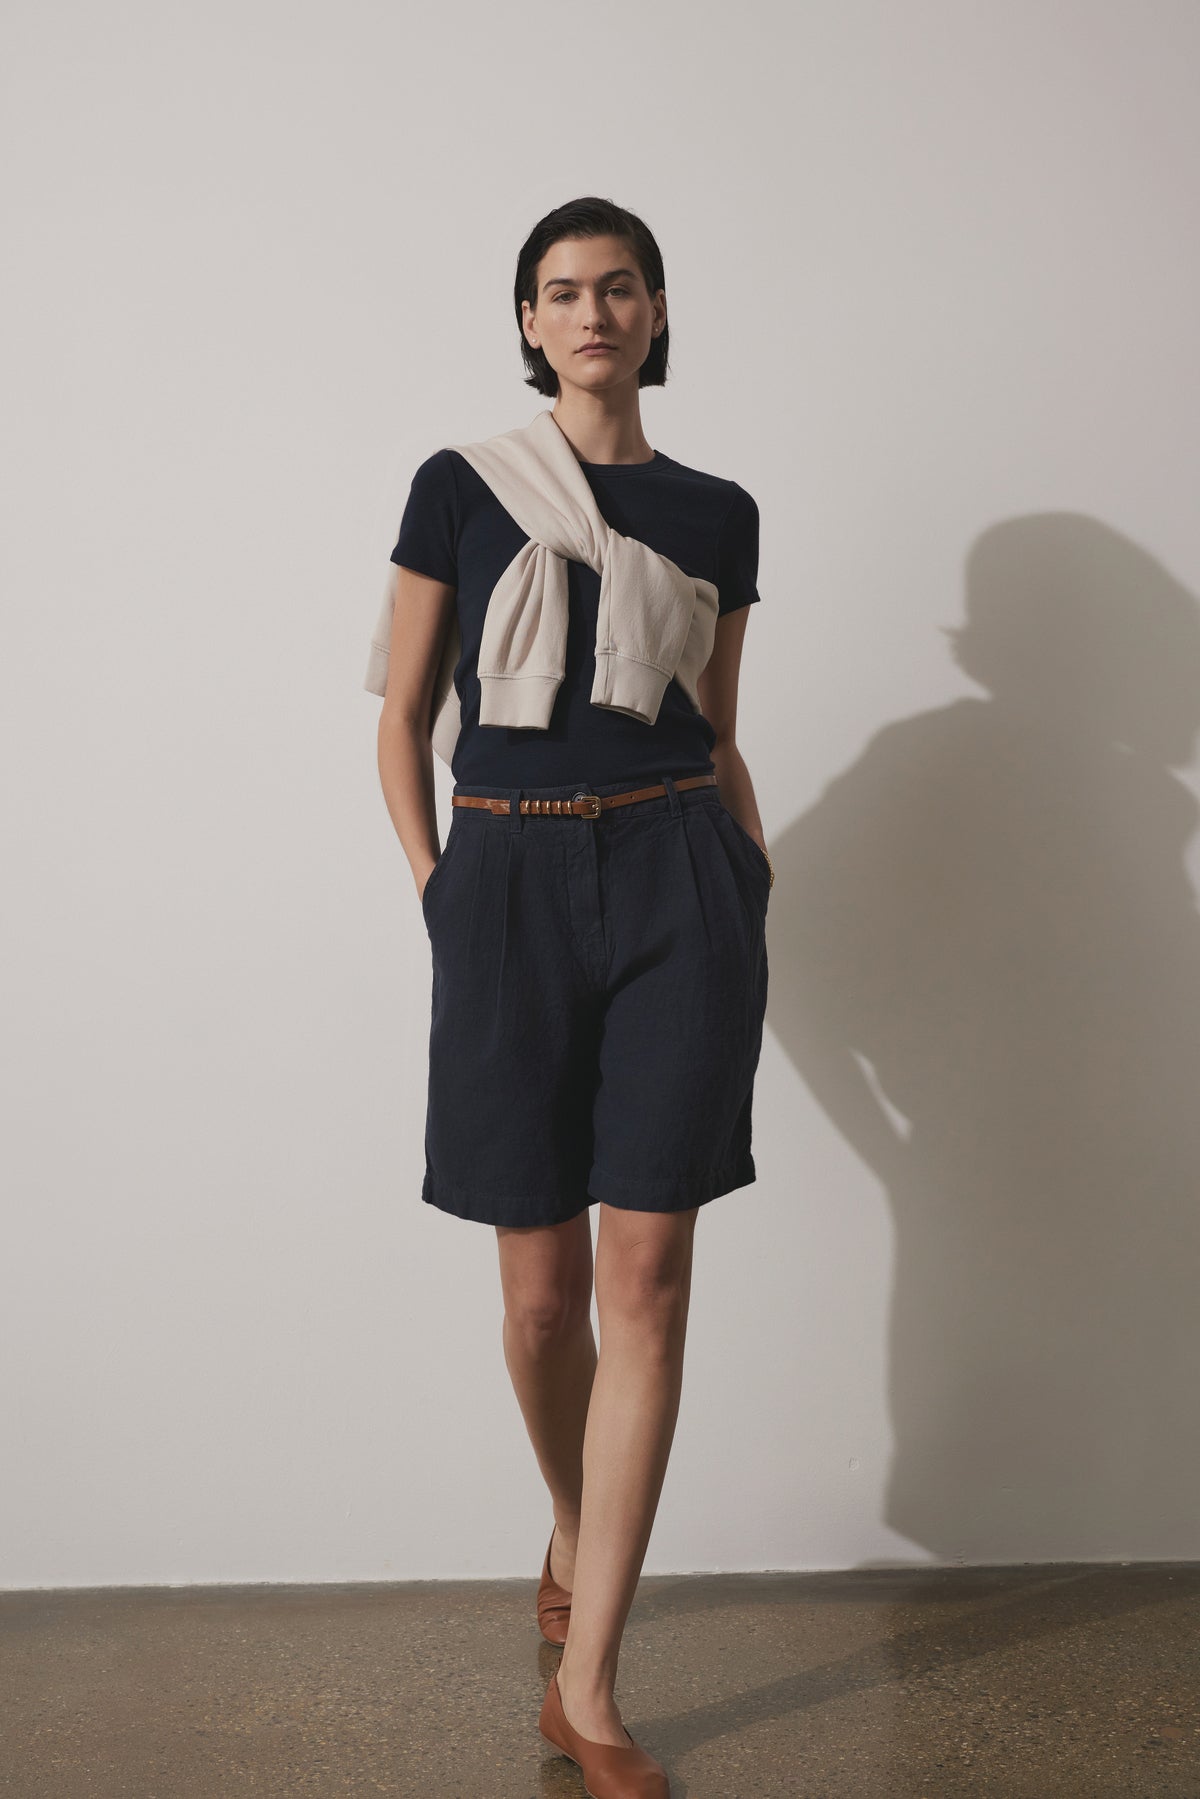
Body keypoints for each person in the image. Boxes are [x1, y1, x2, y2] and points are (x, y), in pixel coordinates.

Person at [370, 195, 772, 1799]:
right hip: (511, 878)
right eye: (561, 292)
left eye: (619, 289)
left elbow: (716, 723)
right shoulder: (459, 486)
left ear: (659, 313)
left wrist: (750, 876)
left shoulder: (722, 508)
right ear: (529, 321)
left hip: (681, 877)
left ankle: (590, 1685)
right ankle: (570, 1521)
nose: (592, 313)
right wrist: (441, 893)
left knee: (648, 1282)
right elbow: (402, 715)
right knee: (541, 1303)